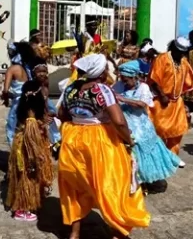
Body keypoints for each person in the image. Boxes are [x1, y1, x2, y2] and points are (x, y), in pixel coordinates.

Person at [58, 54, 150, 239]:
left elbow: (61, 113)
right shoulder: (102, 90)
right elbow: (119, 121)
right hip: (99, 141)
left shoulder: (71, 88)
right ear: (101, 72)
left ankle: (74, 234)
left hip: (72, 139)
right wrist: (128, 140)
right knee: (111, 184)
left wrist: (79, 121)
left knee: (75, 186)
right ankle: (117, 231)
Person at [113, 60, 180, 192]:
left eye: (127, 80)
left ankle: (146, 181)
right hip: (125, 124)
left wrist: (122, 99)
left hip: (141, 126)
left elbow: (142, 104)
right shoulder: (118, 86)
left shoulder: (143, 87)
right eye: (123, 80)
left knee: (144, 151)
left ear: (134, 77)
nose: (124, 83)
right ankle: (132, 182)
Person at [6, 79, 54, 222]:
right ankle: (22, 209)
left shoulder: (25, 109)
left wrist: (44, 123)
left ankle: (27, 205)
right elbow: (31, 138)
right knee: (27, 177)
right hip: (27, 151)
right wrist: (35, 157)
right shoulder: (31, 117)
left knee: (25, 177)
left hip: (21, 145)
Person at [148, 38, 193, 165]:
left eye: (183, 52)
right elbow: (154, 80)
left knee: (177, 131)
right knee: (160, 130)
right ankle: (158, 157)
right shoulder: (162, 59)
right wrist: (162, 95)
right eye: (179, 51)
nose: (181, 54)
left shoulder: (183, 62)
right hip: (162, 101)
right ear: (173, 48)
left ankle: (172, 157)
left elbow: (187, 81)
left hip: (177, 102)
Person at [3, 42, 32, 146]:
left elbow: (5, 90)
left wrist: (6, 100)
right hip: (30, 103)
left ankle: (16, 156)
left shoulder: (12, 69)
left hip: (18, 104)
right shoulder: (28, 68)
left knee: (12, 129)